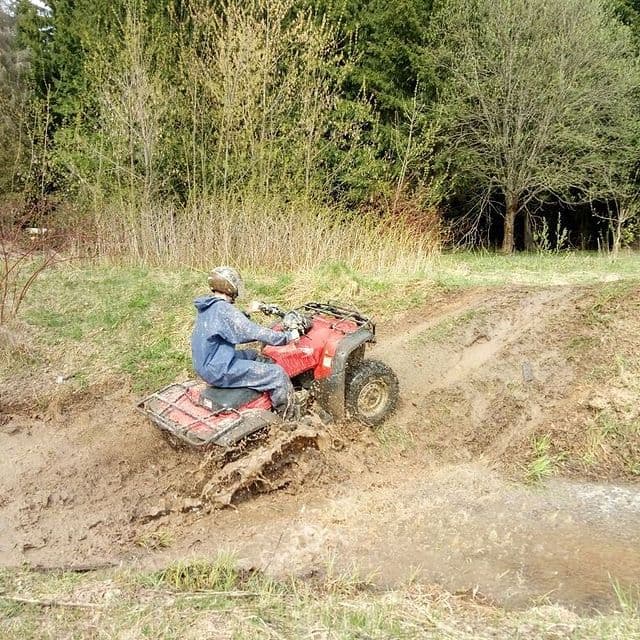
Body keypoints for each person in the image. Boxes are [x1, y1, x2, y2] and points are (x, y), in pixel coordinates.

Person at [191, 266, 297, 415]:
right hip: (218, 369)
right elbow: (253, 331)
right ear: (229, 286)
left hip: (208, 361)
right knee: (277, 374)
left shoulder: (209, 306)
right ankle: (289, 419)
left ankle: (262, 386)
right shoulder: (224, 309)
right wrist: (287, 337)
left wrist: (247, 312)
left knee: (253, 354)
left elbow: (227, 325)